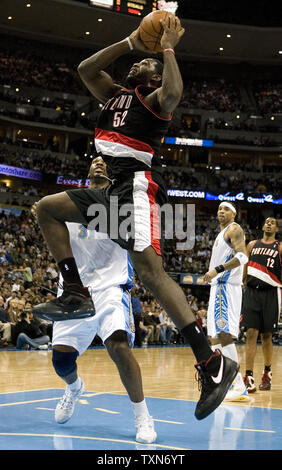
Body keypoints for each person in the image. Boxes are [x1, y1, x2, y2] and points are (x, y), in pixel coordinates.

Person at [32, 17, 238, 420]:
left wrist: (167, 47)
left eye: (145, 68)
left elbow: (175, 91)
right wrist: (130, 41)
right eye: (134, 65)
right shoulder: (112, 95)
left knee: (152, 274)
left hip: (136, 187)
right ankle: (75, 290)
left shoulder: (155, 99)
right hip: (110, 192)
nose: (135, 68)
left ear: (155, 74)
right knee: (47, 209)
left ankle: (211, 363)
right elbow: (85, 69)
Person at [32, 157, 157, 444]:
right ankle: (74, 388)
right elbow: (52, 227)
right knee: (62, 362)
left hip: (111, 288)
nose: (99, 163)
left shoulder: (122, 205)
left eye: (105, 162)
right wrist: (40, 211)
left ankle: (142, 417)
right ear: (88, 170)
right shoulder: (68, 202)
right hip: (75, 291)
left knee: (118, 345)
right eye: (95, 160)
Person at [203, 202, 249, 401]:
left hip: (225, 286)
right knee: (214, 338)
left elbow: (243, 257)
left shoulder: (234, 229)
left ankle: (239, 384)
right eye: (220, 208)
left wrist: (217, 270)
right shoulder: (220, 234)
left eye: (226, 209)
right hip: (217, 288)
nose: (221, 211)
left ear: (234, 214)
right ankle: (226, 382)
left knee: (223, 334)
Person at [242, 217, 281, 393]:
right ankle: (248, 375)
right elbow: (245, 265)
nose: (269, 223)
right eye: (266, 221)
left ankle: (267, 372)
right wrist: (243, 283)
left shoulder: (279, 247)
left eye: (272, 222)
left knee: (266, 336)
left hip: (271, 293)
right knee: (250, 333)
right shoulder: (252, 244)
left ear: (276, 228)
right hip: (251, 292)